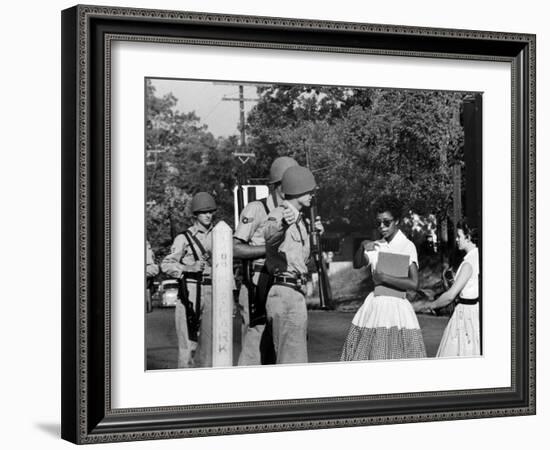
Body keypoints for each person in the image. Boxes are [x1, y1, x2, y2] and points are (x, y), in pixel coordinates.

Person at [340, 195, 426, 361]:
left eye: (387, 222)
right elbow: (358, 264)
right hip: (375, 307)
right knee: (372, 355)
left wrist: (384, 278)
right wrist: (362, 245)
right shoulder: (377, 245)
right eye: (378, 223)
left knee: (397, 355)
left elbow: (414, 283)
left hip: (397, 309)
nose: (382, 227)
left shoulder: (407, 246)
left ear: (397, 221)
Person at [233, 156, 298, 366]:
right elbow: (235, 248)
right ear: (279, 185)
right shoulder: (256, 209)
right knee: (254, 350)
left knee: (279, 350)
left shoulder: (294, 215)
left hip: (283, 287)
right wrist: (269, 250)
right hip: (258, 285)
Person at [263, 166, 324, 364]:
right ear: (297, 190)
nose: (312, 196)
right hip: (285, 292)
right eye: (309, 191)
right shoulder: (280, 214)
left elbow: (302, 260)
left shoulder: (301, 220)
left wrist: (316, 236)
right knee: (291, 363)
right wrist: (282, 225)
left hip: (295, 292)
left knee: (294, 358)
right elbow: (270, 235)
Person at [161, 192, 216, 368]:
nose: (208, 215)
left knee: (210, 348)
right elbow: (166, 264)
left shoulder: (220, 234)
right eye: (203, 212)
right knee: (188, 346)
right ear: (195, 215)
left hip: (212, 290)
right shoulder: (183, 238)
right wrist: (187, 268)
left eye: (210, 212)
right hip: (190, 291)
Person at [429, 220, 480, 357]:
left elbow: (451, 295)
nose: (457, 239)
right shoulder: (479, 257)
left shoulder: (468, 264)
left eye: (459, 236)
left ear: (468, 237)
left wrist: (433, 305)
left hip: (466, 315)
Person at [145, 240, 159, 313]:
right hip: (151, 269)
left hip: (149, 268)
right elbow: (153, 258)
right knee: (148, 286)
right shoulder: (149, 248)